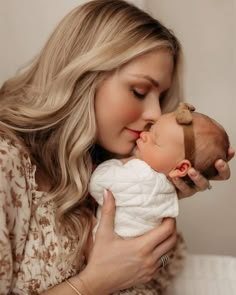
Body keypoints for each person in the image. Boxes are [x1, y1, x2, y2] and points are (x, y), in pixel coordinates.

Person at [0, 0, 233, 294]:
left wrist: (154, 201)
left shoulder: (110, 160)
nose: (154, 115)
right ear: (83, 76)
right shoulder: (7, 162)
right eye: (139, 91)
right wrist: (94, 283)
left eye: (160, 99)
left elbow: (164, 269)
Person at [89, 102, 230, 239]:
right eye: (150, 130)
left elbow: (97, 183)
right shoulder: (168, 189)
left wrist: (124, 161)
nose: (143, 135)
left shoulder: (141, 176)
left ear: (181, 168)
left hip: (112, 250)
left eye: (155, 140)